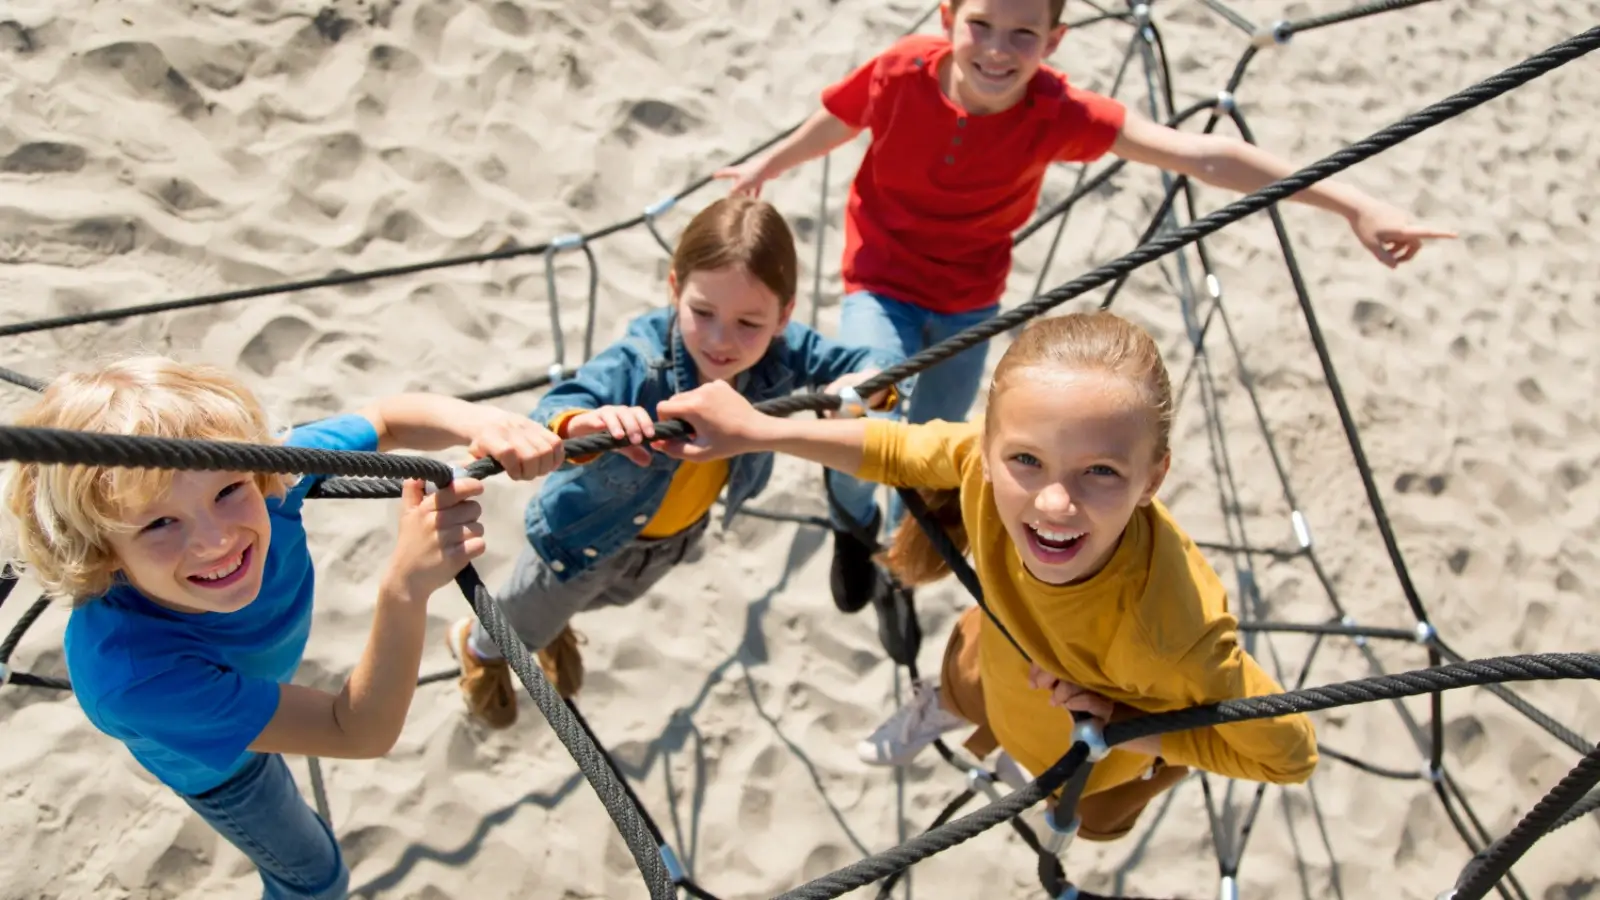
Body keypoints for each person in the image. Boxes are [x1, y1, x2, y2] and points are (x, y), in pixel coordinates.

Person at [716, 0, 1456, 616]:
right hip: (881, 276)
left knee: (941, 454)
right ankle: (852, 523)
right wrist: (767, 166)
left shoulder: (1057, 111)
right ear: (948, 16)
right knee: (863, 406)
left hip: (972, 300)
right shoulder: (901, 71)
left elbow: (1202, 155)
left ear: (1054, 41)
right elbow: (841, 118)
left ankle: (906, 561)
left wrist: (1352, 202)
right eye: (980, 25)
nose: (998, 51)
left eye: (1023, 35)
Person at [650, 310, 1320, 842]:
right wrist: (758, 431)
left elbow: (1288, 755)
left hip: (1088, 754)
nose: (1054, 503)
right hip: (999, 660)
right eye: (1026, 459)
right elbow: (894, 447)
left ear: (1153, 478)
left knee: (1091, 823)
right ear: (991, 444)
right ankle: (947, 712)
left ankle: (1035, 765)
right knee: (964, 679)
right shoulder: (982, 462)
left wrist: (1134, 725)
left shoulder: (1174, 630)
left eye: (1102, 472)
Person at [0, 356, 565, 900]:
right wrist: (405, 588)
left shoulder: (273, 480)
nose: (216, 539)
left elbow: (388, 419)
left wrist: (482, 421)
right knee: (317, 880)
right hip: (220, 766)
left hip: (259, 677)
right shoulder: (132, 678)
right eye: (160, 523)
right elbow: (356, 732)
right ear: (103, 553)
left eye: (227, 491)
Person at [446, 195, 899, 729]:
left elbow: (872, 367)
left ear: (784, 315)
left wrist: (863, 389)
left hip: (673, 537)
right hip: (583, 537)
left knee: (606, 601)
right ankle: (478, 649)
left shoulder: (781, 348)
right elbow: (560, 405)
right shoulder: (642, 361)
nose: (721, 340)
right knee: (524, 615)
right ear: (674, 288)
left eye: (749, 323)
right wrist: (579, 424)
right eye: (702, 313)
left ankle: (550, 627)